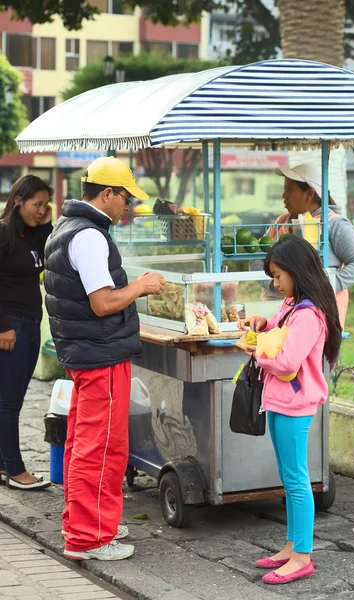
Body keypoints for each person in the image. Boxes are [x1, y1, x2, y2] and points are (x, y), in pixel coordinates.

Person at [44, 157, 166, 561]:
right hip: (101, 355)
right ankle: (89, 538)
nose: (128, 205)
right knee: (102, 447)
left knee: (83, 442)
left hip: (85, 353)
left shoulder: (65, 227)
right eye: (126, 197)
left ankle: (89, 522)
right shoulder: (91, 236)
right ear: (108, 194)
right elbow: (102, 303)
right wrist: (142, 286)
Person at [238, 235, 342, 585]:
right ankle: (291, 546)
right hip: (282, 402)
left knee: (297, 481)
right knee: (288, 477)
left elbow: (285, 363)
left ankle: (302, 557)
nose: (275, 282)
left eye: (279, 275)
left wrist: (255, 353)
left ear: (297, 272)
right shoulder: (291, 305)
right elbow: (278, 335)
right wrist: (261, 326)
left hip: (295, 404)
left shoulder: (309, 315)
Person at [251, 164, 354, 329]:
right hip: (275, 313)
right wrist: (274, 283)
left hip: (317, 316)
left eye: (290, 190)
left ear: (309, 194)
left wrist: (322, 286)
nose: (283, 195)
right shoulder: (281, 222)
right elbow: (256, 259)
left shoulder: (334, 224)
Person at [0, 175, 53, 491]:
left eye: (45, 204)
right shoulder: (3, 234)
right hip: (13, 326)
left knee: (13, 399)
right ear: (18, 200)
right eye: (37, 203)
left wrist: (44, 224)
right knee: (9, 402)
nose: (41, 209)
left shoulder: (30, 234)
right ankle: (16, 470)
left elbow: (44, 260)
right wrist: (3, 325)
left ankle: (4, 463)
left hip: (31, 324)